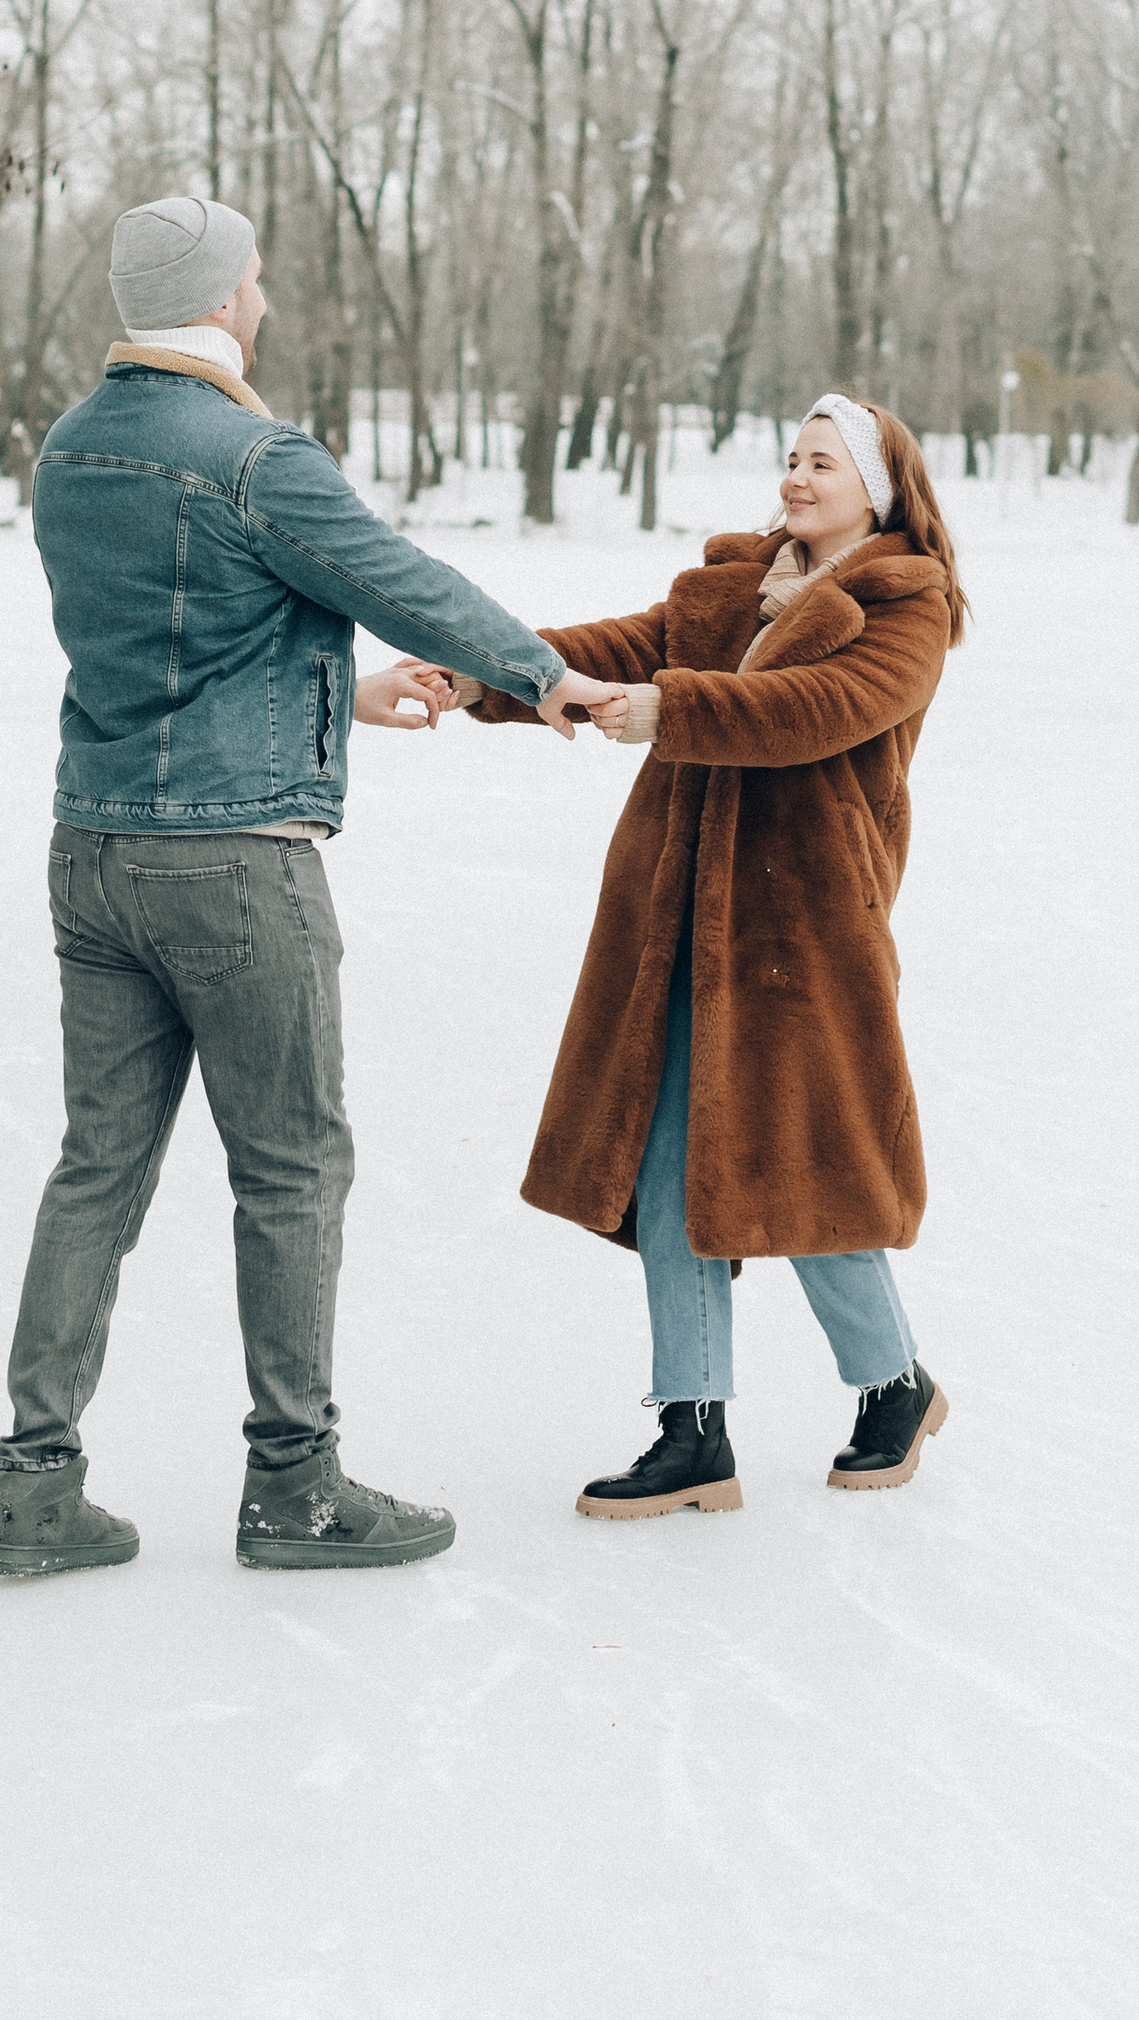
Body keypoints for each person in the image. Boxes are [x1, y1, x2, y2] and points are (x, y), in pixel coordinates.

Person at [0, 192, 612, 1586]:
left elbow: (180, 631)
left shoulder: (71, 451)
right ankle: (295, 1483)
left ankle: (33, 1485)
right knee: (292, 1168)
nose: (263, 297)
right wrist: (550, 679)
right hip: (236, 866)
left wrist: (342, 691)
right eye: (254, 278)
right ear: (216, 301)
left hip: (93, 850)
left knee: (99, 1166)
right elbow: (403, 579)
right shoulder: (255, 452)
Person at [460, 393, 967, 1519]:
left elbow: (815, 709)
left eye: (821, 463)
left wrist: (671, 709)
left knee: (798, 1167)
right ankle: (692, 1431)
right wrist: (485, 673)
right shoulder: (732, 590)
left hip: (805, 929)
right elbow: (615, 650)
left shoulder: (906, 604)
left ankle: (895, 1384)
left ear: (876, 491)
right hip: (676, 914)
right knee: (670, 1171)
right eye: (789, 456)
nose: (794, 477)